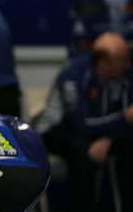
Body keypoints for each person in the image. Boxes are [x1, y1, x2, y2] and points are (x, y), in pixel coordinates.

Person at [35, 32, 133, 211]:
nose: (128, 64)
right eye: (123, 60)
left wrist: (110, 139)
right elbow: (80, 124)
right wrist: (124, 119)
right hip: (59, 129)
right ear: (104, 63)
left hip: (102, 131)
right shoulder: (73, 74)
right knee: (82, 150)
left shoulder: (127, 72)